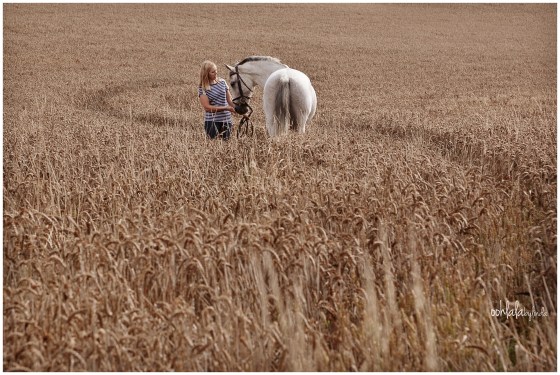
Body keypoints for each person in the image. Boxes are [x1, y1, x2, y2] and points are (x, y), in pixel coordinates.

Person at [198, 61, 236, 140]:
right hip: (212, 122)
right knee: (213, 147)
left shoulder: (222, 82)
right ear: (206, 73)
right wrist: (226, 108)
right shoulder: (203, 88)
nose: (216, 73)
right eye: (213, 72)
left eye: (216, 70)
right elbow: (207, 108)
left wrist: (241, 111)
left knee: (226, 147)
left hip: (227, 120)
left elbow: (230, 100)